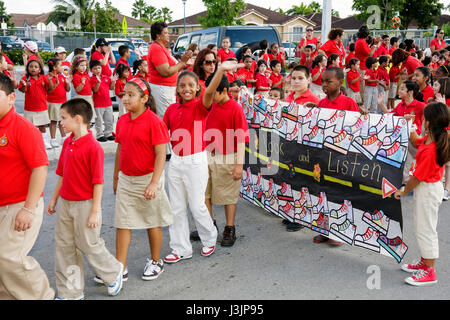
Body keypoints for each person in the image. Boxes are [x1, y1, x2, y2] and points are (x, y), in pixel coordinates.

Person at [47, 98, 124, 299]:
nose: (61, 122)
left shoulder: (93, 147)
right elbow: (62, 175)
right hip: (65, 203)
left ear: (78, 118)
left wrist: (95, 211)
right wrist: (54, 199)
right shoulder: (67, 143)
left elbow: (98, 182)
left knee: (89, 244)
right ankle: (71, 291)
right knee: (64, 247)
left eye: (64, 118)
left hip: (86, 204)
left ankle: (114, 272)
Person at [164, 67, 239, 263]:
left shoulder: (201, 106)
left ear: (197, 88)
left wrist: (220, 70)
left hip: (196, 160)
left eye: (190, 85)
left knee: (197, 205)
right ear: (177, 89)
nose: (186, 89)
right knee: (177, 207)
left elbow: (208, 92)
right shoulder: (172, 110)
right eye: (182, 86)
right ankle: (181, 248)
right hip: (176, 162)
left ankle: (209, 238)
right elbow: (162, 134)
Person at [0, 73, 55, 300]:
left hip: (20, 205)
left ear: (12, 98)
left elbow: (40, 168)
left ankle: (42, 296)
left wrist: (28, 209)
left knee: (8, 257)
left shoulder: (23, 128)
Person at [113, 77, 172, 281]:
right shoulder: (121, 120)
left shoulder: (154, 122)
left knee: (152, 221)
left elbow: (160, 155)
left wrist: (154, 183)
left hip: (148, 179)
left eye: (131, 95)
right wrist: (115, 177)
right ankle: (120, 267)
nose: (125, 98)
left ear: (144, 98)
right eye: (124, 94)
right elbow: (120, 149)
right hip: (126, 180)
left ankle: (156, 261)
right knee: (123, 222)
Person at [395, 102, 450, 286]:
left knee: (426, 230)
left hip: (427, 189)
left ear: (428, 122)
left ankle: (430, 271)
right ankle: (424, 263)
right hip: (426, 189)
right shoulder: (430, 139)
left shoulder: (431, 149)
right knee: (422, 227)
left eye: (423, 118)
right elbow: (414, 140)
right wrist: (409, 124)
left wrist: (403, 190)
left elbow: (417, 177)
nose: (422, 120)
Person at [204, 64, 250, 247]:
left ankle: (229, 228)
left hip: (228, 157)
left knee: (228, 196)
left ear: (223, 91)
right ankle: (209, 225)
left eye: (213, 92)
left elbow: (241, 139)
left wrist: (239, 165)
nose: (210, 96)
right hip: (208, 155)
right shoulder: (209, 105)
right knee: (204, 193)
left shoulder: (235, 109)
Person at [147, 21, 193, 122]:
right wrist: (183, 62)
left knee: (170, 117)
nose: (169, 35)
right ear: (158, 35)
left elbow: (175, 68)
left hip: (168, 89)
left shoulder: (162, 48)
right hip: (162, 89)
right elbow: (165, 71)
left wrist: (185, 61)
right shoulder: (156, 49)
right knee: (166, 120)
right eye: (166, 33)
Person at [17, 58, 51, 149]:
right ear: (27, 68)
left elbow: (49, 89)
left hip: (42, 107)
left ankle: (44, 141)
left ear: (40, 69)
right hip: (29, 108)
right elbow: (22, 90)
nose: (33, 68)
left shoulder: (43, 78)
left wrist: (50, 81)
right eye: (31, 67)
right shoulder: (25, 79)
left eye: (36, 67)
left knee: (42, 126)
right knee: (30, 127)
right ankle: (31, 142)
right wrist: (24, 85)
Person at [44, 58, 70, 148]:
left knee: (62, 121)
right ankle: (53, 139)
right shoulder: (48, 77)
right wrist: (52, 81)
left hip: (62, 102)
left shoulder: (62, 76)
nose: (62, 67)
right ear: (54, 67)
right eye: (60, 65)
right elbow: (49, 91)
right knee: (54, 121)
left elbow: (67, 89)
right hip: (53, 102)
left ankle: (63, 138)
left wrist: (67, 83)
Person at [90, 60, 117, 142]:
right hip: (98, 104)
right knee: (99, 120)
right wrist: (98, 82)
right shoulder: (92, 79)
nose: (97, 70)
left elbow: (111, 88)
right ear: (91, 70)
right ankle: (100, 134)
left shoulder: (105, 78)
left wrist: (113, 81)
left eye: (99, 68)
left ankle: (108, 133)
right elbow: (95, 90)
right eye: (95, 69)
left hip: (108, 103)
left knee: (109, 119)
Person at [355, 26, 380, 103]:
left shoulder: (360, 41)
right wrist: (375, 46)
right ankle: (363, 103)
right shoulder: (361, 41)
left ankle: (363, 102)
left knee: (363, 86)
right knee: (363, 87)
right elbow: (370, 54)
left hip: (362, 65)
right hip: (362, 66)